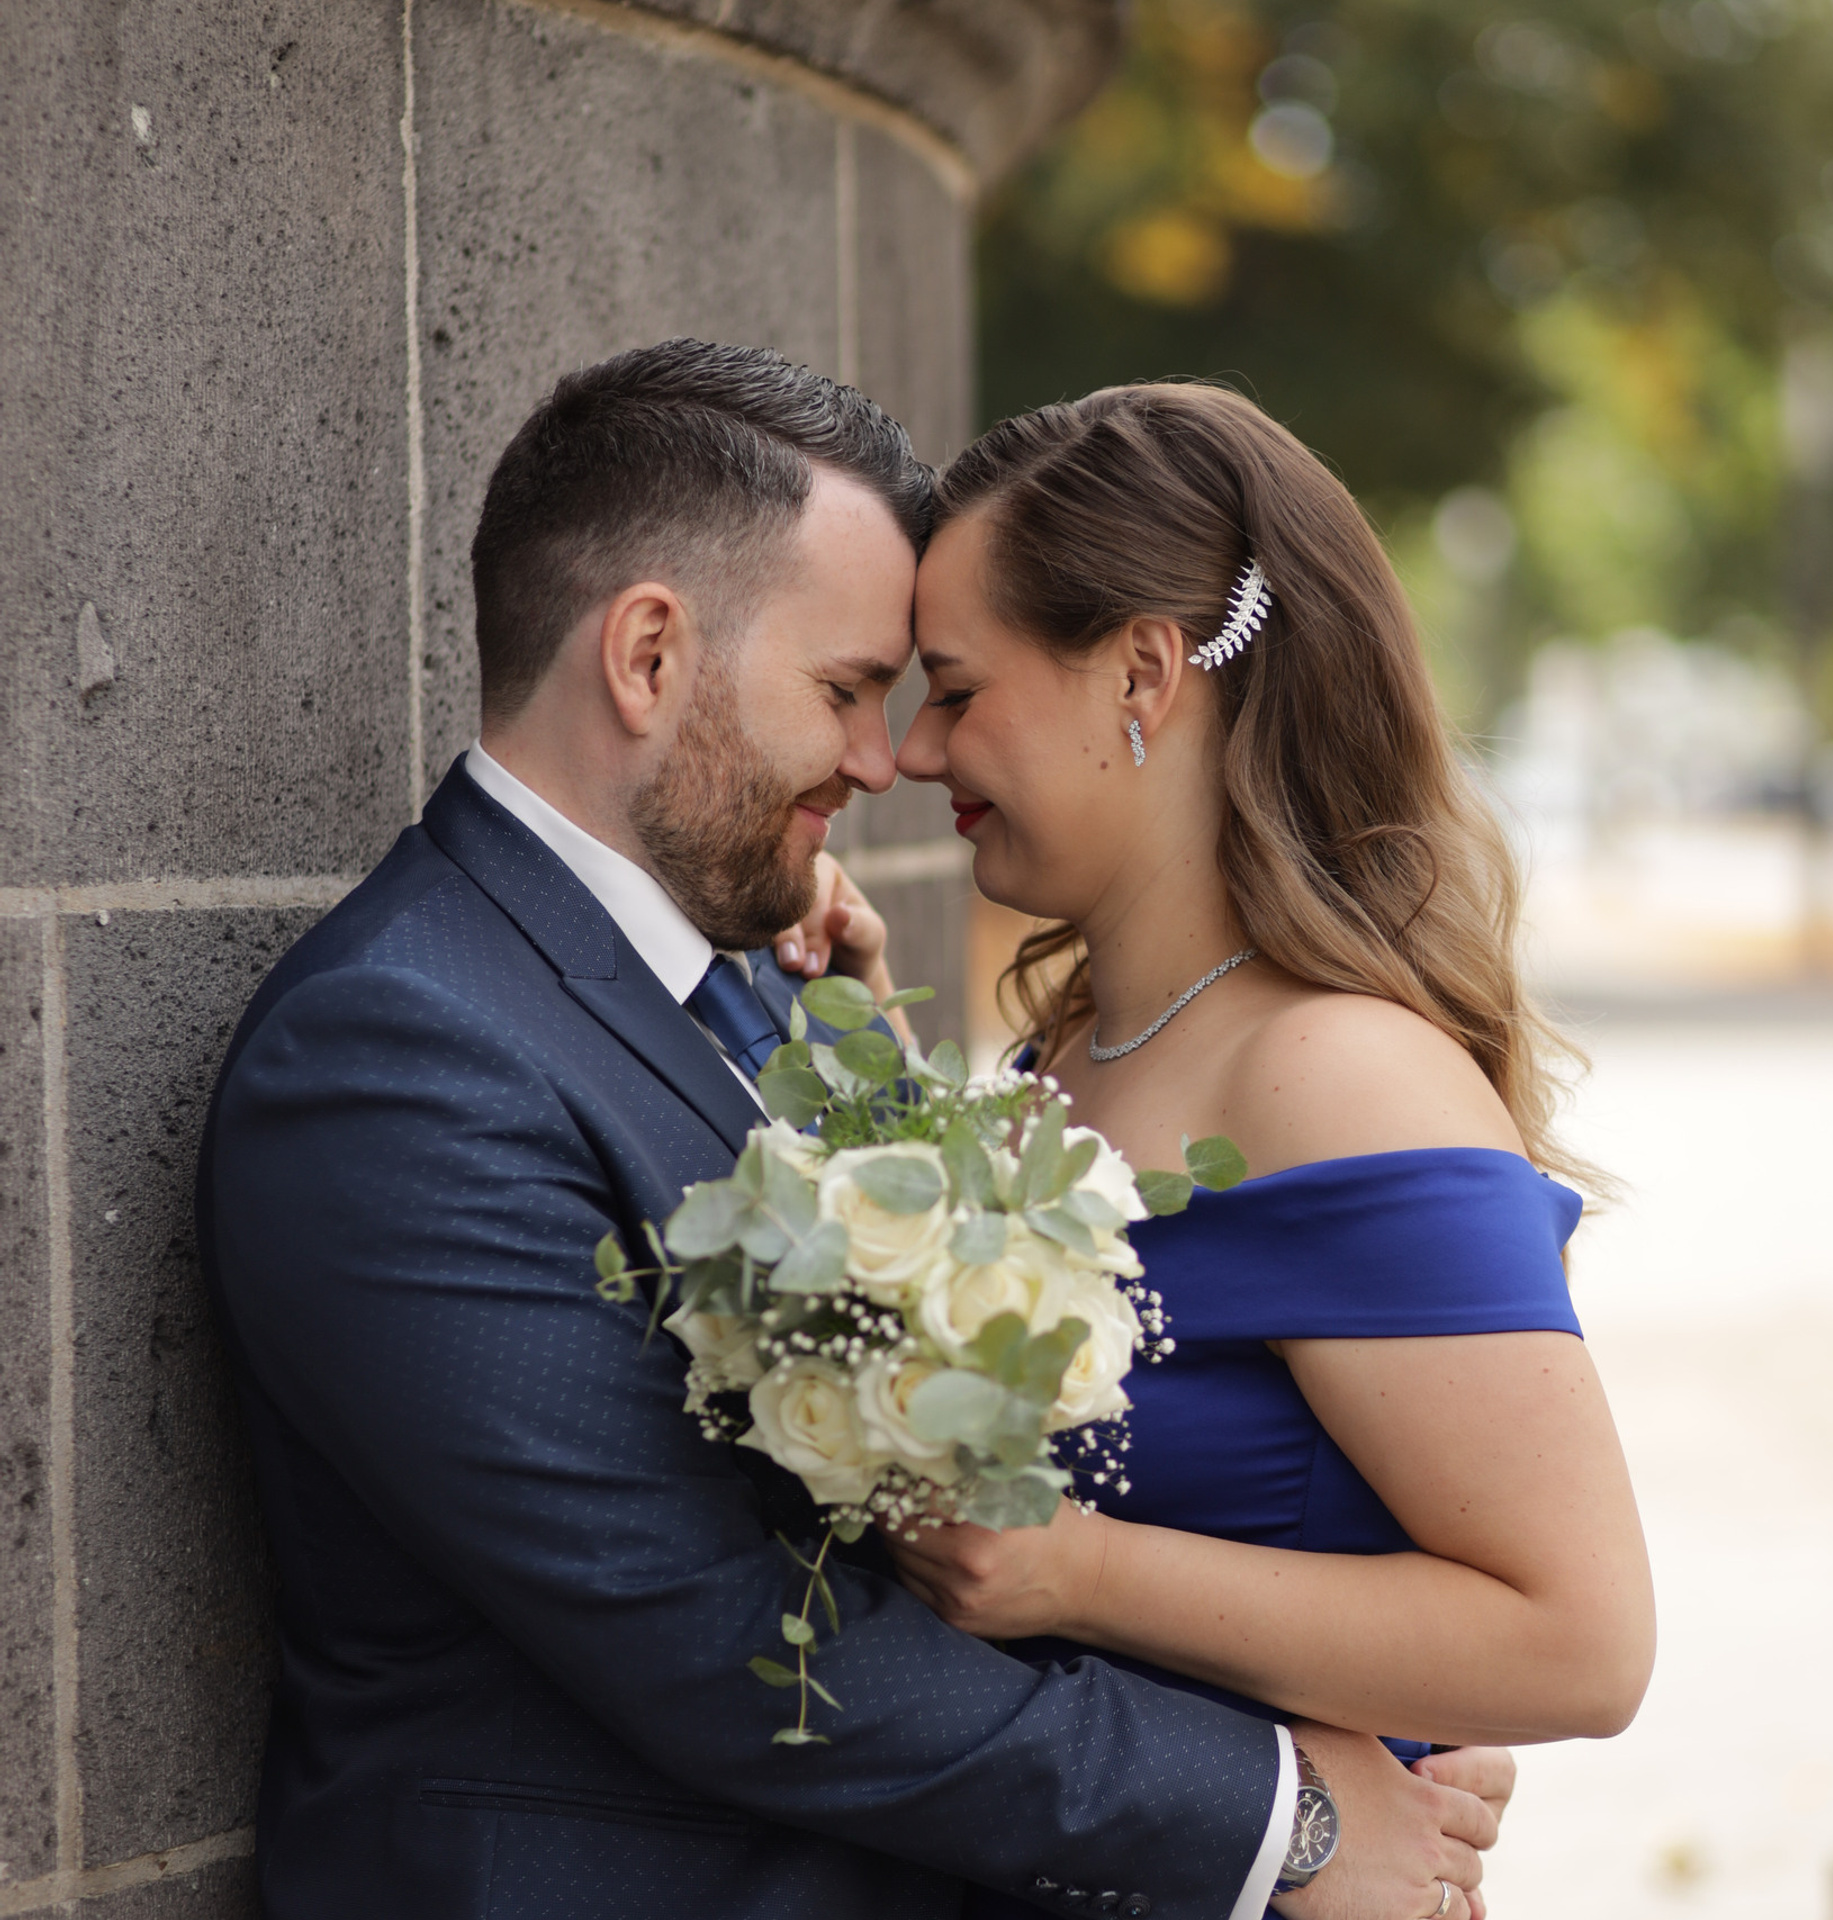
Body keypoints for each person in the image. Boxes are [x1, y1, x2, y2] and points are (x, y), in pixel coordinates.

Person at [197, 340, 1512, 1920]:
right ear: (650, 655)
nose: (887, 762)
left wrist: (1349, 1701)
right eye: (849, 693)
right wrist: (1276, 1808)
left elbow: (913, 1462)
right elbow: (710, 1633)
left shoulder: (739, 989)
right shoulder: (401, 1053)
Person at [890, 383, 1659, 1920]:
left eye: (959, 689)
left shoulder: (1338, 1072)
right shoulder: (1069, 1045)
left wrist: (1079, 1571)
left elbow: (1584, 1641)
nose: (915, 749)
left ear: (1144, 671)